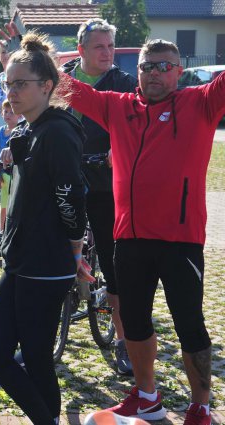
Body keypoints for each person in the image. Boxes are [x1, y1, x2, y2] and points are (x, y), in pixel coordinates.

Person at [61, 38, 225, 424]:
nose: (154, 72)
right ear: (138, 71)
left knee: (189, 323)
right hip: (129, 237)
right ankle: (147, 397)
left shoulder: (200, 102)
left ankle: (201, 405)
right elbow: (63, 86)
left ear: (179, 70)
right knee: (133, 321)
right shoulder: (117, 106)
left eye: (164, 66)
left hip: (180, 239)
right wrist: (27, 49)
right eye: (147, 66)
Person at [0, 31, 92, 425]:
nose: (11, 92)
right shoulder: (31, 127)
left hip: (47, 262)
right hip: (22, 258)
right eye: (8, 84)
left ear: (47, 86)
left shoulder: (57, 132)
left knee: (35, 356)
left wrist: (76, 250)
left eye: (20, 84)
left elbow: (71, 196)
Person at [59, 18, 138, 376]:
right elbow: (36, 117)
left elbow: (140, 125)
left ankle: (123, 340)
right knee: (51, 254)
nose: (107, 53)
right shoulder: (61, 79)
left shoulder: (124, 84)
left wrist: (118, 148)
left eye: (110, 46)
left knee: (114, 261)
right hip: (64, 179)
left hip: (106, 185)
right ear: (81, 50)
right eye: (99, 47)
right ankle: (41, 335)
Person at [0, 99, 20, 235]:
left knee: (12, 203)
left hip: (13, 173)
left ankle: (8, 229)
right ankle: (2, 228)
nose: (8, 114)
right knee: (3, 202)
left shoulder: (20, 131)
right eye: (5, 111)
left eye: (12, 112)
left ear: (19, 114)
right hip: (1, 172)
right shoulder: (1, 131)